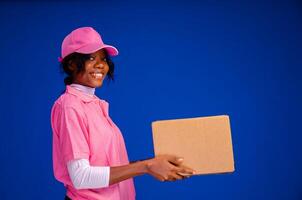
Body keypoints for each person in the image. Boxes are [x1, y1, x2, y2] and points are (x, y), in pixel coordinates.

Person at [51, 27, 194, 200]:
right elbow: (80, 177)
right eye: (90, 58)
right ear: (71, 63)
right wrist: (146, 166)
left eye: (103, 59)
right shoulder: (70, 106)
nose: (100, 65)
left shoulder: (94, 105)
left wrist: (154, 164)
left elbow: (108, 166)